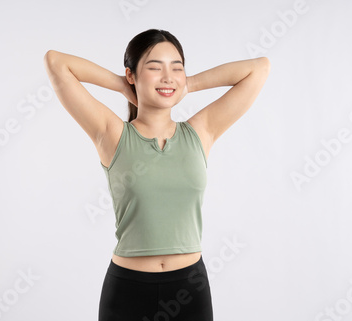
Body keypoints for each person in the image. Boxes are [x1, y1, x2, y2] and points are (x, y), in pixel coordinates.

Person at [44, 28, 270, 321]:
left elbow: (259, 68)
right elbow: (56, 62)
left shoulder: (200, 132)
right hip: (127, 291)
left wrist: (188, 84)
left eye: (177, 68)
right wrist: (123, 85)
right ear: (132, 74)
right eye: (154, 68)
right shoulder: (112, 134)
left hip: (190, 289)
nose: (168, 77)